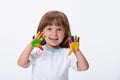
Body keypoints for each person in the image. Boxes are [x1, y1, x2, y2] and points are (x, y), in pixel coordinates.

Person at [18, 10, 89, 80]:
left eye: (59, 29)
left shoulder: (67, 53)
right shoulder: (38, 51)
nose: (54, 33)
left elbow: (84, 67)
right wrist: (30, 46)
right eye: (49, 29)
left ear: (65, 33)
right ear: (42, 32)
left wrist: (77, 51)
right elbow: (22, 64)